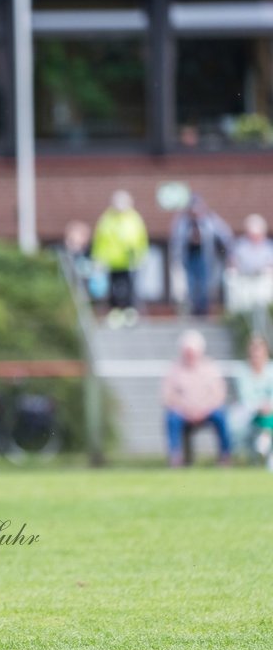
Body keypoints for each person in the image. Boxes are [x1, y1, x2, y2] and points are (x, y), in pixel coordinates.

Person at [162, 329, 231, 468]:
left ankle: (225, 456)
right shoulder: (174, 369)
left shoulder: (211, 367)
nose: (190, 355)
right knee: (172, 418)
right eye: (187, 351)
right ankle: (175, 457)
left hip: (207, 411)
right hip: (183, 413)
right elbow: (167, 396)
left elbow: (219, 395)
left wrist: (203, 410)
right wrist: (187, 410)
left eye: (192, 352)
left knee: (220, 415)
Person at [90, 190, 148, 328]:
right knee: (112, 287)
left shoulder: (134, 219)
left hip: (129, 261)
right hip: (112, 261)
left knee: (129, 286)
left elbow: (141, 239)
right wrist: (98, 257)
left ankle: (129, 311)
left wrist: (141, 255)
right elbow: (100, 240)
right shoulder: (107, 219)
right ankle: (115, 312)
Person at [169, 193, 232, 317]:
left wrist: (225, 252)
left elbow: (225, 235)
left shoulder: (210, 220)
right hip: (188, 258)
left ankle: (203, 311)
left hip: (205, 259)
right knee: (190, 286)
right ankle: (193, 311)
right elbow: (175, 240)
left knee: (205, 286)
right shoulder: (183, 222)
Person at [232, 336, 273, 468]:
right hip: (250, 415)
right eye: (254, 352)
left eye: (259, 351)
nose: (257, 355)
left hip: (269, 411)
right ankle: (265, 449)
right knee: (267, 418)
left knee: (268, 417)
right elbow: (246, 398)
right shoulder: (242, 372)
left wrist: (268, 405)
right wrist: (261, 406)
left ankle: (264, 445)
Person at [224, 214, 273, 324]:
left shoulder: (268, 247)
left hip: (261, 282)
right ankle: (238, 317)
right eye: (251, 234)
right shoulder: (240, 246)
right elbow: (233, 262)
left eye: (257, 235)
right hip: (244, 280)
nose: (254, 237)